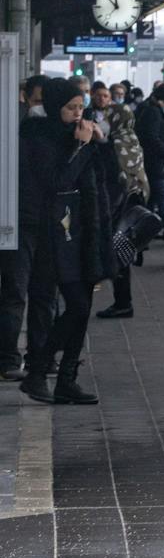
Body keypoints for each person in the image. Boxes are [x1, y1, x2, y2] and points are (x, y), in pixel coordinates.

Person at [18, 79, 115, 404]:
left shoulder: (77, 136)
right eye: (70, 108)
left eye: (80, 107)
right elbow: (58, 181)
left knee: (82, 307)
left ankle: (66, 379)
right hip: (59, 233)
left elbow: (105, 179)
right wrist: (82, 146)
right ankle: (38, 371)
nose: (77, 114)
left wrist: (99, 144)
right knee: (76, 305)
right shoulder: (39, 136)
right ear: (55, 106)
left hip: (85, 231)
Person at [0, 74, 53, 379]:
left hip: (43, 224)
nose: (40, 108)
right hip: (20, 221)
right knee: (16, 292)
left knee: (41, 294)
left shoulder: (57, 133)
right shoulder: (16, 131)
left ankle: (39, 357)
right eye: (37, 101)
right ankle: (8, 359)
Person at [96, 86, 151, 319]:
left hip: (119, 204)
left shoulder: (115, 143)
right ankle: (122, 301)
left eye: (108, 118)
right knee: (123, 252)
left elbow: (115, 177)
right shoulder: (132, 138)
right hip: (133, 201)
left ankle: (123, 302)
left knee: (117, 253)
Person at [136, 82, 164, 224]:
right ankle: (163, 223)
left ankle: (152, 225)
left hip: (154, 161)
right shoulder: (153, 112)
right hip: (156, 162)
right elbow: (151, 137)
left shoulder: (152, 109)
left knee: (154, 196)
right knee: (163, 195)